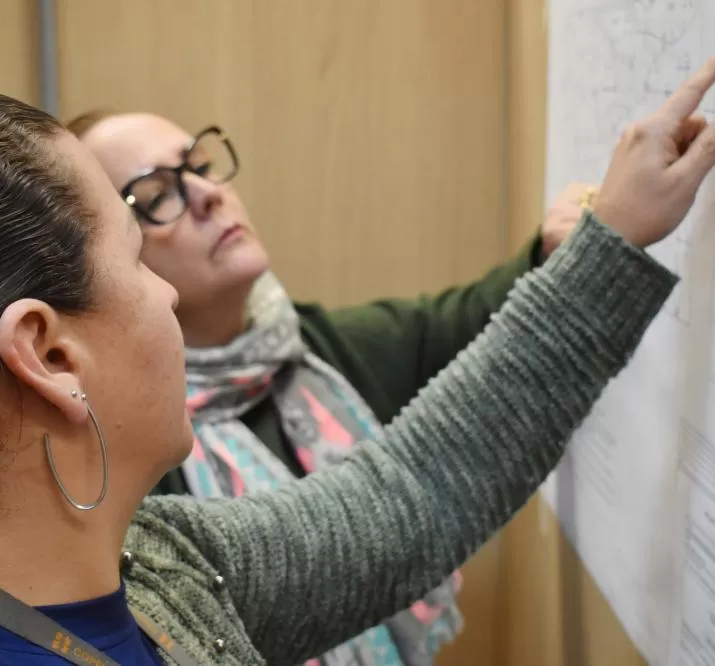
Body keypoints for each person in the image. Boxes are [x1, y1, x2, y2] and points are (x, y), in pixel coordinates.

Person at [0, 44, 715, 666]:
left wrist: (613, 237)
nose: (166, 295)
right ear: (50, 355)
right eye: (136, 259)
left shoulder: (161, 567)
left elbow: (404, 501)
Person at [68, 73, 593, 666]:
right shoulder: (128, 456)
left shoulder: (316, 351)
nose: (208, 194)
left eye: (203, 164)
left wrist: (560, 251)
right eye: (159, 194)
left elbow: (476, 326)